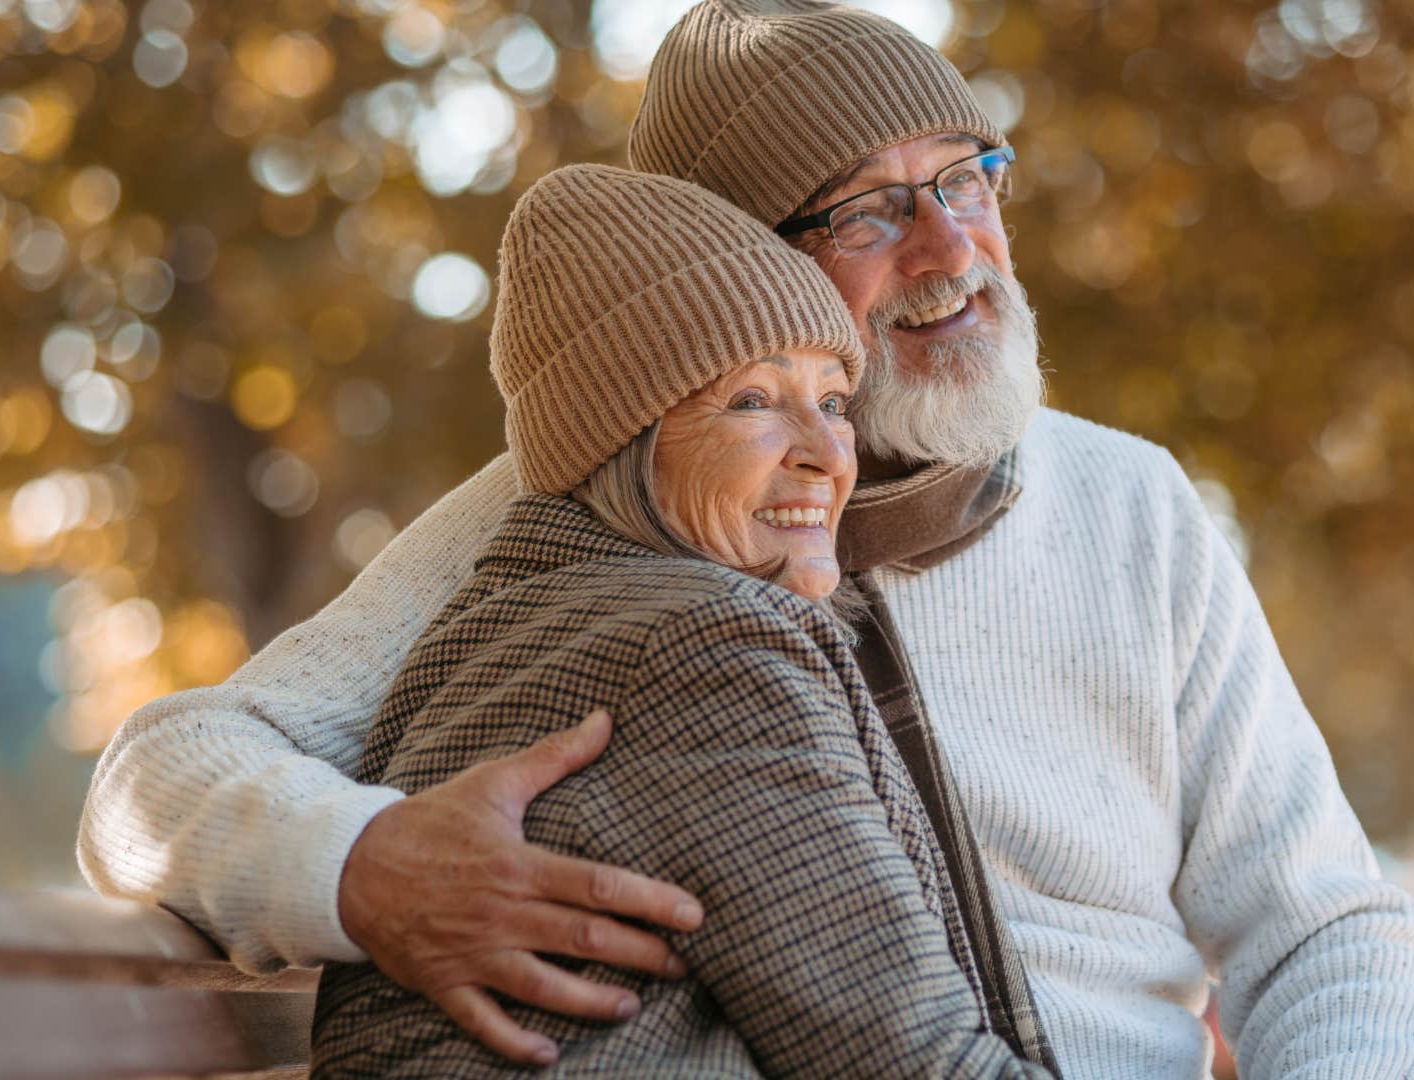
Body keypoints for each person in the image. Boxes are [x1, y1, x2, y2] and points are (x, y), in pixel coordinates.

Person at [80, 2, 1414, 1075]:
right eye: (865, 210)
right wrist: (365, 868)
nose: (949, 249)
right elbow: (158, 774)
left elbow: (1322, 924)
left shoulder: (1131, 509)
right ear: (740, 276)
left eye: (966, 179)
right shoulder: (569, 508)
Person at [310, 162, 1044, 1077]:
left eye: (832, 402)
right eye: (752, 402)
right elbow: (917, 1065)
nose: (827, 455)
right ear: (625, 439)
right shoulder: (705, 642)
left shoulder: (507, 620)